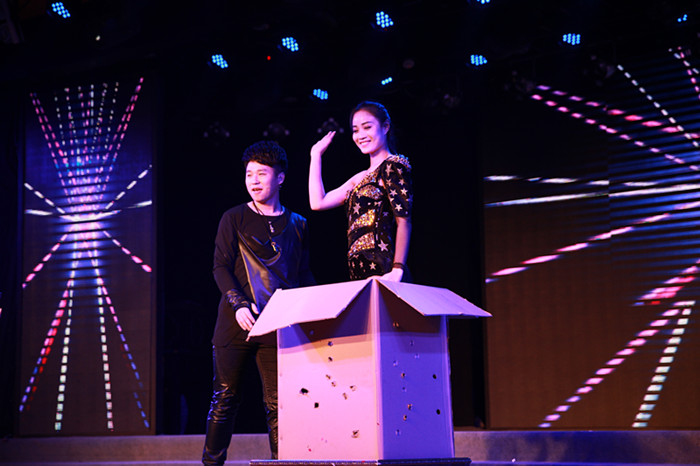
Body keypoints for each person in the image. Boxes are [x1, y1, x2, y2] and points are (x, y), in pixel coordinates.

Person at [202, 140, 315, 465]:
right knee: (225, 398)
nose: (253, 180)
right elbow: (220, 267)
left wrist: (314, 311)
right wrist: (238, 303)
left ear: (280, 178)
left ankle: (282, 461)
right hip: (236, 322)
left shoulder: (298, 224)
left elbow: (303, 274)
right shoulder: (233, 217)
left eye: (261, 173)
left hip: (277, 325)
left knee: (280, 404)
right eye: (249, 174)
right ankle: (211, 463)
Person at [308, 101, 412, 281]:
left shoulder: (392, 166)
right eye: (355, 130)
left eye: (367, 127)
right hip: (359, 272)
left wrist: (398, 268)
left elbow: (404, 220)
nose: (360, 135)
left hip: (384, 269)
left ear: (385, 127)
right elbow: (318, 202)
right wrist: (315, 155)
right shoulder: (359, 178)